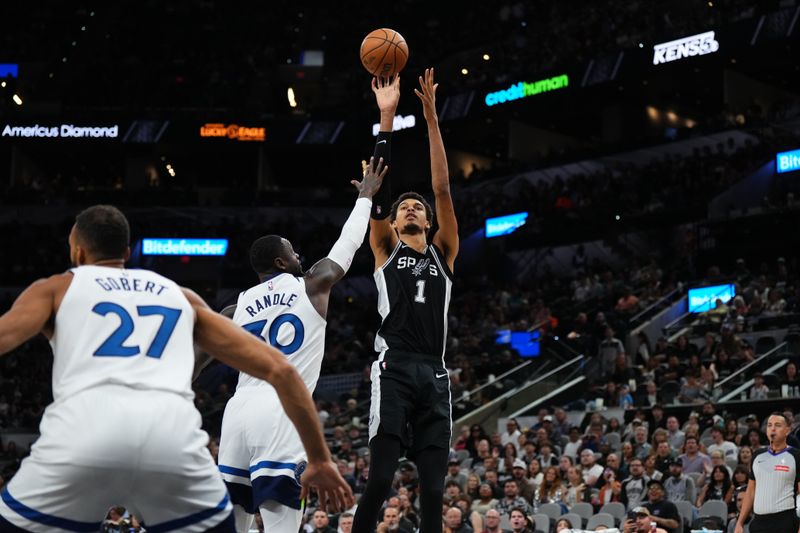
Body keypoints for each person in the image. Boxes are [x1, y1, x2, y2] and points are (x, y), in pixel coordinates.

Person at [0, 205, 353, 531]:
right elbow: (282, 371)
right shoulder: (178, 293)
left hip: (83, 432)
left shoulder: (59, 287)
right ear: (126, 254)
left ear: (77, 253)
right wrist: (320, 458)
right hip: (169, 437)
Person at [216, 158, 386, 533]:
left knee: (231, 523)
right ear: (281, 261)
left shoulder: (233, 308)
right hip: (281, 410)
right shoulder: (312, 284)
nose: (299, 256)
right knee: (282, 523)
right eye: (293, 251)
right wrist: (364, 197)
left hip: (237, 413)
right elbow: (348, 243)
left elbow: (197, 352)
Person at [353, 68, 460, 533]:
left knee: (435, 492)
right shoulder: (383, 249)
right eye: (403, 208)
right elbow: (376, 189)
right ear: (393, 223)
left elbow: (442, 188)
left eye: (418, 207)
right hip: (394, 368)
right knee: (379, 481)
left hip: (434, 372)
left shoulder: (445, 252)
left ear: (429, 221)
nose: (412, 207)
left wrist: (432, 119)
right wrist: (387, 117)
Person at [734, 412, 800, 533]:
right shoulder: (757, 455)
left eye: (778, 425)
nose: (772, 428)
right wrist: (740, 522)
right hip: (759, 522)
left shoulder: (796, 456)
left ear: (787, 431)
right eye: (769, 425)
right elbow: (750, 491)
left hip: (785, 521)